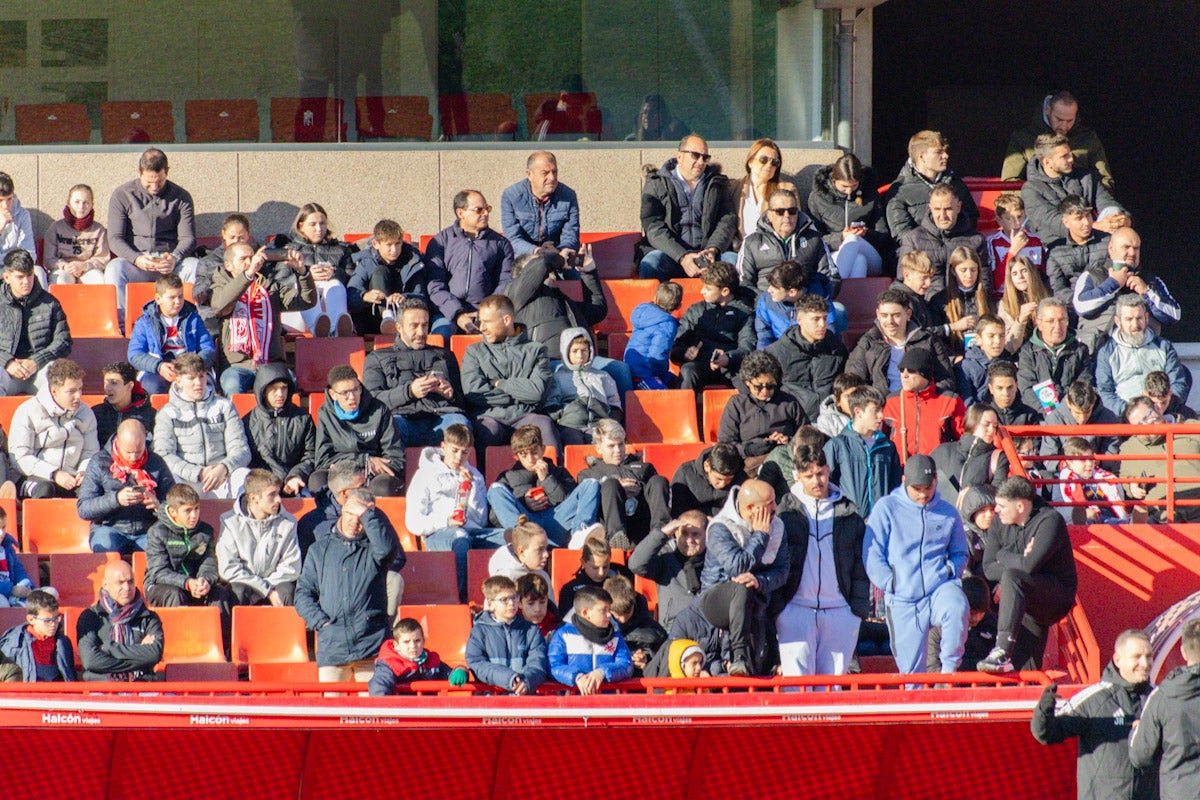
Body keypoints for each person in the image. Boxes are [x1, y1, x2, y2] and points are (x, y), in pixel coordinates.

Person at [863, 455, 969, 675]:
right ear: (904, 481)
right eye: (916, 488)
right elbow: (872, 554)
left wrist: (950, 571)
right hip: (903, 597)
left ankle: (948, 673)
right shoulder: (886, 508)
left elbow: (960, 552)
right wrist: (891, 583)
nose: (923, 494)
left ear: (936, 480)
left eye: (928, 487)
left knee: (957, 605)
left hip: (939, 587)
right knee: (911, 672)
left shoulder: (948, 513)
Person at [773, 444, 870, 677]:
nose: (816, 481)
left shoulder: (849, 513)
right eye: (809, 476)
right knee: (796, 689)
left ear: (828, 470)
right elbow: (774, 560)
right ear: (797, 476)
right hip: (795, 608)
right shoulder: (784, 513)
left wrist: (855, 611)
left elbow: (860, 565)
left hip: (839, 610)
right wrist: (780, 609)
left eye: (820, 473)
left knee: (832, 689)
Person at [1034, 630, 1158, 799]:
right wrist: (1044, 711)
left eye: (1149, 656)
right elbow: (1047, 733)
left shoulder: (1160, 699)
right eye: (1137, 657)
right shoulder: (1095, 699)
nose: (1145, 663)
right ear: (1117, 660)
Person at [296, 487, 402, 684]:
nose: (355, 521)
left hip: (371, 644)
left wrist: (369, 515)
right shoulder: (319, 550)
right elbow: (303, 595)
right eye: (350, 514)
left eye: (361, 517)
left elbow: (388, 552)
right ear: (342, 510)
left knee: (371, 713)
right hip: (332, 645)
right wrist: (321, 623)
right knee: (330, 710)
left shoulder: (375, 549)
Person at [978, 476, 1078, 672]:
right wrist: (1018, 562)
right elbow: (989, 568)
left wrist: (1003, 554)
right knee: (1027, 668)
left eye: (1001, 506)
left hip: (1055, 596)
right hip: (1024, 596)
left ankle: (1001, 650)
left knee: (1012, 578)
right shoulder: (999, 522)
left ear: (1021, 507)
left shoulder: (1050, 520)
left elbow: (1028, 566)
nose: (996, 511)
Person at [405, 423, 506, 603]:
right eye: (454, 450)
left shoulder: (475, 475)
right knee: (461, 537)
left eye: (465, 452)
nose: (459, 457)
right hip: (437, 534)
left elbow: (480, 521)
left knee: (511, 536)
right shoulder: (425, 475)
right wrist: (446, 521)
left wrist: (471, 487)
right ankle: (461, 600)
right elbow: (413, 522)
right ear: (443, 447)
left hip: (471, 532)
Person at [699, 479, 790, 676]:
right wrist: (760, 535)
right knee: (741, 585)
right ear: (750, 509)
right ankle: (737, 656)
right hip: (717, 600)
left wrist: (760, 581)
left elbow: (782, 571)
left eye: (775, 501)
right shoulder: (720, 528)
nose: (776, 508)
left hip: (757, 602)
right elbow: (737, 567)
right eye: (769, 506)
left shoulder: (778, 527)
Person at [508, 249, 630, 396]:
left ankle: (626, 418)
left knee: (620, 370)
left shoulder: (563, 300)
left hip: (582, 361)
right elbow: (541, 264)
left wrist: (589, 273)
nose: (547, 269)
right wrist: (558, 258)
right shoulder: (516, 294)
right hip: (548, 362)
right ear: (522, 275)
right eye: (535, 262)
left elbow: (598, 310)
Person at [211, 241, 317, 395]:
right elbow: (220, 306)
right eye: (243, 259)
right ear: (228, 265)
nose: (249, 262)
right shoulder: (219, 285)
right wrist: (247, 275)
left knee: (289, 385)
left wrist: (302, 272)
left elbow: (306, 301)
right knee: (232, 385)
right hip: (237, 366)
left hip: (270, 363)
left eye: (251, 258)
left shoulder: (269, 285)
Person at [105, 149, 199, 322]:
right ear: (139, 172)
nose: (154, 187)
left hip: (170, 262)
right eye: (149, 182)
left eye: (160, 181)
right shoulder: (122, 195)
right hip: (137, 262)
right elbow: (114, 238)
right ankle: (121, 323)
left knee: (194, 266)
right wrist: (136, 258)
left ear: (167, 172)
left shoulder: (181, 197)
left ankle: (188, 323)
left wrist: (175, 257)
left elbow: (188, 238)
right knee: (115, 269)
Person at [362, 296, 470, 448]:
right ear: (398, 327)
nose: (420, 332)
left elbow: (465, 402)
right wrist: (409, 391)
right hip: (402, 419)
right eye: (414, 326)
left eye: (424, 325)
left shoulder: (445, 356)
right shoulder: (377, 358)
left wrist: (451, 395)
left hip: (442, 417)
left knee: (461, 425)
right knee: (391, 428)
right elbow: (371, 402)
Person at [461, 293, 560, 452]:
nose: (481, 328)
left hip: (526, 418)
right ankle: (480, 476)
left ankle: (556, 474)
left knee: (544, 425)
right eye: (480, 322)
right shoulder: (474, 352)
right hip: (489, 417)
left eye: (487, 322)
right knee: (486, 430)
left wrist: (498, 383)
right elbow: (475, 394)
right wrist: (522, 394)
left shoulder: (536, 350)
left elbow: (537, 393)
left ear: (506, 320)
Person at [637, 134, 737, 281]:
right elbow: (653, 227)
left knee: (734, 262)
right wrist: (682, 256)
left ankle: (734, 305)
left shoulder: (716, 183)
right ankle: (653, 304)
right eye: (695, 155)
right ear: (679, 157)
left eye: (705, 157)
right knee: (651, 263)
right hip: (671, 255)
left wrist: (712, 249)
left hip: (709, 256)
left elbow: (727, 220)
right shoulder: (657, 183)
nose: (700, 162)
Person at [153, 352, 251, 499]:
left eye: (202, 376)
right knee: (168, 477)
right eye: (191, 378)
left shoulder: (224, 406)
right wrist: (198, 473)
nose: (198, 383)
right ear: (178, 381)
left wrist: (223, 468)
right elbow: (163, 455)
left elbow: (241, 450)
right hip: (187, 480)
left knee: (244, 475)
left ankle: (242, 521)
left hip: (221, 477)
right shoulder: (167, 413)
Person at [487, 425, 600, 547]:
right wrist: (524, 503)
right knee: (495, 489)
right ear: (516, 456)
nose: (530, 459)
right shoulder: (507, 476)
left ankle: (580, 532)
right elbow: (494, 516)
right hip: (527, 526)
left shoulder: (559, 471)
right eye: (523, 455)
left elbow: (570, 501)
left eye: (534, 452)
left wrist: (546, 479)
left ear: (543, 449)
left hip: (558, 523)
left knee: (591, 483)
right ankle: (520, 536)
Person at [1073, 227, 1181, 355]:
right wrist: (1113, 284)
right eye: (1126, 247)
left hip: (1143, 354)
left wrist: (1146, 292)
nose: (1132, 252)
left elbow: (1175, 315)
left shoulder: (1151, 280)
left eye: (1136, 248)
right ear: (1111, 249)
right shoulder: (1092, 275)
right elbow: (1081, 307)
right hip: (1099, 354)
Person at [77, 419, 173, 554]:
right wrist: (116, 499)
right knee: (105, 545)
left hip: (146, 530)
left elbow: (176, 503)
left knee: (158, 552)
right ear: (117, 442)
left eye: (139, 451)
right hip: (108, 528)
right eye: (128, 452)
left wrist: (158, 505)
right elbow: (84, 509)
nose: (133, 457)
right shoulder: (99, 462)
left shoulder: (156, 462)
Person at [1129, 618, 1200, 800]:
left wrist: (1137, 729)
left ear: (1183, 652)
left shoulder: (1162, 696)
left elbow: (1140, 756)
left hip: (1179, 792)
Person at [426, 190, 514, 335]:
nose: (485, 213)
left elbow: (505, 282)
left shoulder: (501, 244)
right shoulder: (441, 242)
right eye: (479, 210)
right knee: (441, 336)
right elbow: (435, 285)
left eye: (488, 209)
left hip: (487, 314)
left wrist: (485, 312)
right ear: (461, 213)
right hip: (447, 313)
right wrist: (457, 314)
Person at [10, 358, 98, 499]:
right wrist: (54, 473)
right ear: (54, 391)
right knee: (45, 490)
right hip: (33, 477)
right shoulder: (28, 411)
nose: (78, 396)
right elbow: (20, 458)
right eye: (71, 391)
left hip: (71, 478)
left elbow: (90, 452)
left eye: (80, 389)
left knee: (91, 491)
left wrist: (83, 471)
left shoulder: (86, 414)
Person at [313, 365, 405, 497]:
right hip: (342, 473)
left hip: (373, 474)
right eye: (345, 393)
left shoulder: (379, 410)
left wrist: (374, 468)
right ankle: (330, 516)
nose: (352, 397)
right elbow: (323, 460)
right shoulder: (325, 414)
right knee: (317, 480)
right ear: (333, 394)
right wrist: (364, 460)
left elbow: (396, 457)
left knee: (383, 486)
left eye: (356, 389)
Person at [845, 288, 956, 396]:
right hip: (881, 408)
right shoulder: (868, 342)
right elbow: (853, 381)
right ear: (877, 314)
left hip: (921, 405)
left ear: (908, 314)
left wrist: (926, 399)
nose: (890, 321)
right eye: (884, 316)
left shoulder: (927, 340)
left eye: (896, 315)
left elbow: (946, 379)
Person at [578, 419, 671, 549]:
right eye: (611, 446)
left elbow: (658, 494)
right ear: (599, 448)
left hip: (642, 520)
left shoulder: (644, 467)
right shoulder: (588, 474)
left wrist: (640, 490)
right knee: (611, 484)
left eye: (621, 444)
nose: (618, 450)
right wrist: (617, 490)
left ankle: (662, 532)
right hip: (609, 523)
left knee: (659, 481)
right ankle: (616, 538)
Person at [217, 468, 302, 607]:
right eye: (272, 495)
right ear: (253, 498)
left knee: (286, 590)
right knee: (238, 589)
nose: (279, 499)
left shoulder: (288, 522)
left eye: (278, 493)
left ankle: (285, 629)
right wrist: (264, 589)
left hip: (275, 584)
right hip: (244, 584)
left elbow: (291, 566)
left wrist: (266, 587)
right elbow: (229, 568)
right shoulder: (229, 522)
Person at [144, 483, 230, 619]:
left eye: (197, 509)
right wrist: (187, 583)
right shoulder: (157, 532)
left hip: (194, 584)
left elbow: (209, 563)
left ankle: (221, 639)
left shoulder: (205, 531)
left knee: (219, 592)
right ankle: (178, 638)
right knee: (175, 593)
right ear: (173, 512)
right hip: (160, 586)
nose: (194, 515)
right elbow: (158, 572)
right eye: (188, 511)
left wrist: (205, 581)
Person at [1096, 294, 1191, 417]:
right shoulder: (1107, 352)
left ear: (1146, 318)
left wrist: (1161, 406)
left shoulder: (1163, 346)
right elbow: (1105, 392)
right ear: (1118, 322)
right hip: (1124, 417)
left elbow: (1178, 384)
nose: (1135, 324)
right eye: (1129, 319)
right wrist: (1133, 412)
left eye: (1139, 318)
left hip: (1163, 412)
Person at [1021, 134, 1128, 242]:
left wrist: (1123, 219)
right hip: (1056, 245)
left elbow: (1106, 201)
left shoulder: (1086, 177)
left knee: (1114, 211)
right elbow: (1052, 221)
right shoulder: (1031, 189)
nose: (1071, 159)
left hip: (1093, 239)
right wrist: (1094, 226)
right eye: (1064, 156)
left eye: (1070, 154)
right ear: (1047, 162)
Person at [668, 261, 756, 392]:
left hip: (732, 367)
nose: (702, 291)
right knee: (687, 371)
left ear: (725, 291)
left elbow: (747, 347)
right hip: (700, 364)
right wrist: (684, 354)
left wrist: (728, 358)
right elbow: (676, 346)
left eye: (708, 288)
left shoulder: (744, 313)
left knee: (750, 380)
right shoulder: (696, 310)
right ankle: (682, 412)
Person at [127, 273, 217, 395]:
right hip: (157, 370)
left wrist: (192, 366)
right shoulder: (145, 322)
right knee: (152, 386)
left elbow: (207, 349)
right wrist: (158, 366)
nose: (178, 302)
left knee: (204, 385)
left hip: (190, 368)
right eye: (172, 297)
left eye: (180, 296)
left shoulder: (193, 318)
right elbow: (134, 354)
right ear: (158, 299)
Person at [1003, 90, 1114, 187]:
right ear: (1048, 110)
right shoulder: (1023, 138)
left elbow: (1105, 179)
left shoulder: (1088, 138)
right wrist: (1033, 201)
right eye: (1059, 119)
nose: (1064, 126)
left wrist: (1092, 202)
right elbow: (1010, 182)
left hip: (1080, 206)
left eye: (1070, 120)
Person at [76, 559, 163, 681]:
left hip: (142, 687)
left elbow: (154, 654)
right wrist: (139, 656)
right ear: (105, 585)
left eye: (130, 581)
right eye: (120, 583)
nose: (127, 588)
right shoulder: (91, 617)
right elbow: (90, 661)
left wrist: (108, 648)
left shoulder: (149, 617)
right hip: (101, 690)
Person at [807, 153, 891, 279]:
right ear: (833, 181)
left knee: (853, 240)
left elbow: (884, 235)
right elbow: (813, 239)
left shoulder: (871, 195)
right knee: (859, 261)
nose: (849, 191)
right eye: (844, 186)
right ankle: (850, 298)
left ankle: (833, 286)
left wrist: (865, 233)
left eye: (854, 186)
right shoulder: (818, 198)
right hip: (833, 255)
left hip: (870, 253)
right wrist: (841, 237)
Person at [736, 188, 833, 297]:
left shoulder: (814, 239)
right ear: (769, 215)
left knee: (840, 311)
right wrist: (766, 301)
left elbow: (831, 276)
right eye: (780, 212)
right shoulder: (752, 242)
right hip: (767, 306)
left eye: (792, 211)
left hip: (806, 305)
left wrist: (809, 299)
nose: (787, 216)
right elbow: (742, 282)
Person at [0, 249, 72, 396]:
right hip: (4, 369)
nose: (26, 282)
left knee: (60, 382)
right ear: (7, 277)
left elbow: (63, 342)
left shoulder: (50, 303)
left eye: (30, 275)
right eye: (20, 277)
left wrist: (36, 361)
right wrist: (7, 362)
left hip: (40, 368)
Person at [883, 130, 979, 240]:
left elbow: (971, 219)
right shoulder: (899, 191)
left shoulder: (956, 184)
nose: (946, 156)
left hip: (955, 249)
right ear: (921, 157)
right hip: (918, 253)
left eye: (945, 151)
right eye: (939, 152)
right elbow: (902, 234)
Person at [349, 219, 437, 336]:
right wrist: (365, 296)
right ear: (376, 244)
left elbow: (422, 298)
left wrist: (404, 298)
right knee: (380, 272)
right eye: (389, 245)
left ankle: (390, 320)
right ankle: (387, 316)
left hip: (405, 319)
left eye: (398, 243)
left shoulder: (413, 261)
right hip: (374, 319)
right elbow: (351, 293)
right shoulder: (366, 262)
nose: (394, 250)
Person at [278, 202, 354, 338]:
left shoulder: (341, 249)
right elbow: (279, 283)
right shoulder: (289, 250)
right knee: (306, 286)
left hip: (329, 306)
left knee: (335, 285)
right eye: (313, 224)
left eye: (322, 223)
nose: (319, 229)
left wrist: (335, 273)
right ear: (301, 226)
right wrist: (306, 275)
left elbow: (353, 279)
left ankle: (334, 329)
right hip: (297, 313)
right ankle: (318, 329)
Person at [897, 184, 988, 297]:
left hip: (964, 307)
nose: (942, 215)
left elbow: (984, 282)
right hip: (927, 308)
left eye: (948, 209)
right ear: (930, 208)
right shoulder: (913, 239)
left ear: (958, 207)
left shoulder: (976, 240)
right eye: (937, 209)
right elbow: (903, 281)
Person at [717, 350, 804, 468]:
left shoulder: (789, 402)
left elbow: (806, 436)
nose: (765, 391)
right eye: (758, 386)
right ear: (747, 382)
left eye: (770, 386)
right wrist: (749, 449)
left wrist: (789, 440)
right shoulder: (737, 404)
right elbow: (725, 445)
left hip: (786, 459)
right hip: (749, 462)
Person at [1118, 398, 1200, 523]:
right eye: (1139, 425)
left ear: (1157, 408)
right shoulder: (1130, 447)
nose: (1146, 426)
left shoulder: (1191, 427)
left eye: (1147, 417)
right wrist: (1132, 486)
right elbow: (1126, 478)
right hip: (1163, 516)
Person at [467, 575, 550, 694]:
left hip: (524, 703)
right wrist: (508, 678)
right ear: (490, 604)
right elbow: (477, 664)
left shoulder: (531, 630)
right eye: (504, 600)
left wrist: (526, 680)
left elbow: (538, 664)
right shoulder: (479, 631)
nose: (511, 603)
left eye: (514, 597)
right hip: (491, 702)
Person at [825, 385, 901, 513]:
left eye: (881, 410)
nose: (881, 416)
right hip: (849, 525)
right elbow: (827, 487)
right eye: (875, 411)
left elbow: (896, 487)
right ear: (858, 412)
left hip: (881, 523)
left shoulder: (888, 447)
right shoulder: (837, 446)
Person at [242, 364, 315, 497]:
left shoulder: (303, 419)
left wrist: (295, 476)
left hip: (295, 482)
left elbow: (310, 455)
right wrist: (274, 482)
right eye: (274, 389)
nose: (280, 394)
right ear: (263, 391)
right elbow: (249, 460)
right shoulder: (248, 422)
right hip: (261, 484)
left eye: (284, 388)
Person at [628, 510, 708, 632]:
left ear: (706, 534)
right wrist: (663, 533)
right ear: (676, 534)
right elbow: (636, 564)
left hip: (708, 631)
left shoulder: (715, 561)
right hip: (673, 630)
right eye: (685, 534)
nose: (689, 540)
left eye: (695, 534)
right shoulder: (665, 559)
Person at [881, 348, 967, 460]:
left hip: (939, 471)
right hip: (902, 472)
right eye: (901, 370)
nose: (904, 375)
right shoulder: (891, 401)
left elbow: (964, 439)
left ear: (925, 374)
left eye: (911, 370)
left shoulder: (950, 401)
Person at [547, 585, 633, 695]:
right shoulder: (563, 635)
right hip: (572, 705)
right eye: (603, 610)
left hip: (606, 705)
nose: (609, 615)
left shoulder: (615, 636)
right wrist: (577, 677)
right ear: (585, 613)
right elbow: (553, 665)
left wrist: (602, 672)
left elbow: (626, 664)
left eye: (609, 610)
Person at [1017, 297, 1093, 416]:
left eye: (1062, 320)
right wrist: (1052, 416)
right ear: (1039, 324)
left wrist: (1064, 412)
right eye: (1051, 321)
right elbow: (1027, 390)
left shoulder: (1080, 350)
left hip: (1072, 416)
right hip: (1039, 418)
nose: (1057, 326)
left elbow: (1083, 387)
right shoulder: (1028, 352)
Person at [549, 326, 621, 445]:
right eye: (575, 351)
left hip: (598, 426)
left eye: (584, 350)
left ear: (590, 351)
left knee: (600, 444)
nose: (580, 355)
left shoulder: (603, 376)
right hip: (570, 426)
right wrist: (563, 414)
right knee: (573, 441)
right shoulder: (557, 377)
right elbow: (551, 405)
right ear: (566, 352)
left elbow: (615, 404)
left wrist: (610, 421)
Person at [501, 151, 581, 258]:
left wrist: (563, 250)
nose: (552, 178)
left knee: (580, 271)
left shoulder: (568, 196)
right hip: (525, 256)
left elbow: (571, 235)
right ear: (529, 174)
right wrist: (537, 251)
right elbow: (512, 238)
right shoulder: (511, 196)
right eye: (545, 173)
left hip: (558, 253)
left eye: (554, 172)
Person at [754, 259, 844, 350]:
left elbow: (829, 333)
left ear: (792, 292)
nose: (769, 290)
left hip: (813, 352)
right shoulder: (766, 300)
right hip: (779, 354)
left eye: (775, 288)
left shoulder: (821, 299)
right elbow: (764, 336)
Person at [930, 403, 1008, 507]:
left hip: (975, 519)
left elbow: (999, 493)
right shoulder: (943, 451)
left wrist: (975, 491)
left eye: (995, 426)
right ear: (972, 423)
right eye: (986, 424)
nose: (991, 430)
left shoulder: (998, 457)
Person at [193, 213, 256, 340]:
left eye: (241, 238)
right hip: (216, 316)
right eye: (232, 237)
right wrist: (215, 275)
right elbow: (198, 296)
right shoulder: (209, 261)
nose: (236, 241)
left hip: (248, 311)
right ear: (223, 235)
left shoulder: (254, 259)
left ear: (248, 235)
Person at [369, 617, 467, 696]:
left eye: (417, 641)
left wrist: (461, 670)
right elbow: (379, 688)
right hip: (403, 714)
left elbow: (449, 674)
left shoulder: (432, 661)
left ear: (423, 641)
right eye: (406, 642)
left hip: (429, 713)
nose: (413, 646)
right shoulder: (389, 664)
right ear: (396, 645)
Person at [1039, 380, 1123, 467]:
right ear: (1068, 403)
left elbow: (1112, 451)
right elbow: (1048, 456)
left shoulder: (1108, 418)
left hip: (1098, 471)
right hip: (1064, 474)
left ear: (1094, 401)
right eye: (1077, 413)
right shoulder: (1054, 419)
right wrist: (1065, 465)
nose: (1082, 419)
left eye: (1087, 412)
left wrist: (1098, 461)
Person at [728, 138, 792, 249]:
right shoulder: (733, 188)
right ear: (750, 162)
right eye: (764, 159)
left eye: (774, 162)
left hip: (772, 251)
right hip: (740, 250)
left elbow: (792, 225)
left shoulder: (785, 190)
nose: (769, 165)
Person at [1045, 196, 1110, 303]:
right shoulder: (1056, 251)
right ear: (1066, 222)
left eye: (1088, 216)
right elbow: (1057, 288)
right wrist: (1078, 302)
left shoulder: (1108, 241)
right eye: (1079, 218)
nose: (1087, 222)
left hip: (1105, 301)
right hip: (1071, 305)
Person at [0, 590, 76, 682]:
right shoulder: (13, 643)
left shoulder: (63, 642)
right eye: (47, 620)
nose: (53, 624)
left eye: (56, 618)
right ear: (31, 619)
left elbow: (69, 677)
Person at [932, 247, 994, 355]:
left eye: (973, 270)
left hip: (984, 356)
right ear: (953, 271)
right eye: (963, 270)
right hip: (954, 359)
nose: (969, 275)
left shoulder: (986, 297)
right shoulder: (940, 300)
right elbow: (935, 336)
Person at [557, 534, 638, 616]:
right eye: (595, 568)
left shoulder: (622, 578)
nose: (601, 573)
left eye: (605, 567)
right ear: (583, 562)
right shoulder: (570, 590)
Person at [45, 183, 109, 285]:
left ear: (92, 204)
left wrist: (84, 266)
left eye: (86, 203)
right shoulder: (56, 228)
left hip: (89, 270)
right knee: (60, 280)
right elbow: (49, 259)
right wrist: (65, 266)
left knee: (99, 280)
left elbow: (102, 258)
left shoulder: (99, 230)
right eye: (77, 202)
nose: (81, 207)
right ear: (68, 203)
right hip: (63, 270)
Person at [1054, 436, 1128, 524]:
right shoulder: (1062, 481)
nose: (1089, 464)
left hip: (1110, 515)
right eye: (1083, 460)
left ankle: (1132, 522)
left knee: (1125, 523)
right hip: (1089, 520)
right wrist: (1083, 513)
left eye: (1091, 459)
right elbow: (1059, 508)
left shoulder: (1102, 476)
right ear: (1069, 462)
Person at [606, 574, 667, 676]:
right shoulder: (598, 629)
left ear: (634, 603)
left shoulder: (655, 633)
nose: (623, 619)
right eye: (617, 614)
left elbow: (663, 664)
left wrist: (646, 660)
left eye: (627, 612)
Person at [625, 281, 681, 390]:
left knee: (679, 384)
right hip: (642, 373)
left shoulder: (642, 311)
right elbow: (656, 355)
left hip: (637, 365)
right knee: (663, 395)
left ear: (655, 299)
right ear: (679, 306)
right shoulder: (667, 325)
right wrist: (661, 371)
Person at [985, 192, 1044, 295]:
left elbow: (1043, 275)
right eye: (1009, 218)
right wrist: (1013, 251)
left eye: (1020, 216)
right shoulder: (993, 242)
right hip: (1004, 297)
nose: (1017, 223)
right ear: (999, 220)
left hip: (1033, 295)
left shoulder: (1036, 241)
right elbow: (995, 283)